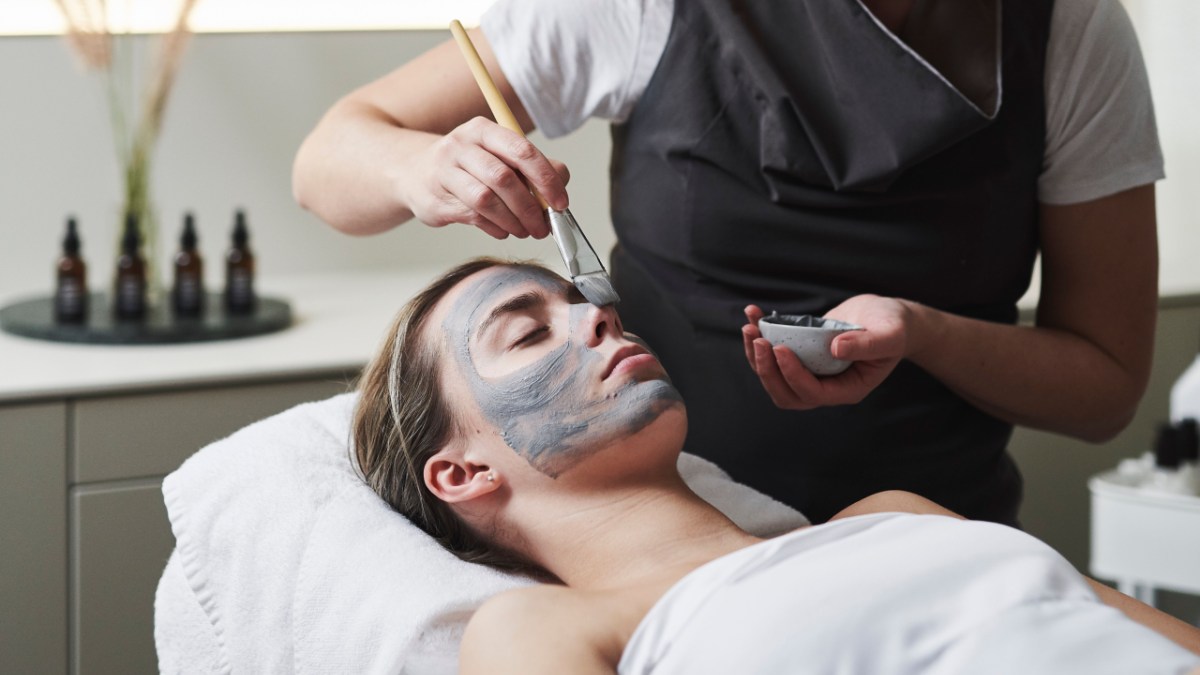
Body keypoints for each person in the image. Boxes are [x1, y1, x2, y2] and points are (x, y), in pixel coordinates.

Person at [297, 0, 1164, 525]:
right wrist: (420, 167)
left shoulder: (1070, 34)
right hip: (666, 528)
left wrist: (928, 335)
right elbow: (326, 164)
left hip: (935, 529)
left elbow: (1105, 388)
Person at [351, 258, 1198, 674]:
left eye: (583, 304)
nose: (597, 321)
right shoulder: (543, 631)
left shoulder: (894, 514)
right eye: (530, 332)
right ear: (461, 473)